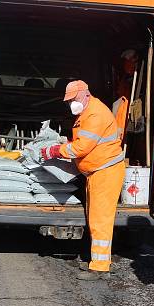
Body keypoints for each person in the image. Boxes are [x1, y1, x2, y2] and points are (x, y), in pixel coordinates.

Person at [41, 80, 125, 281]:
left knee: (100, 220)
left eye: (74, 99)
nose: (71, 104)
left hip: (106, 171)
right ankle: (98, 262)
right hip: (99, 172)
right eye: (69, 101)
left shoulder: (95, 114)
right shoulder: (87, 113)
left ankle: (100, 267)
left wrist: (55, 150)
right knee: (96, 218)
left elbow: (82, 148)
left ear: (86, 94)